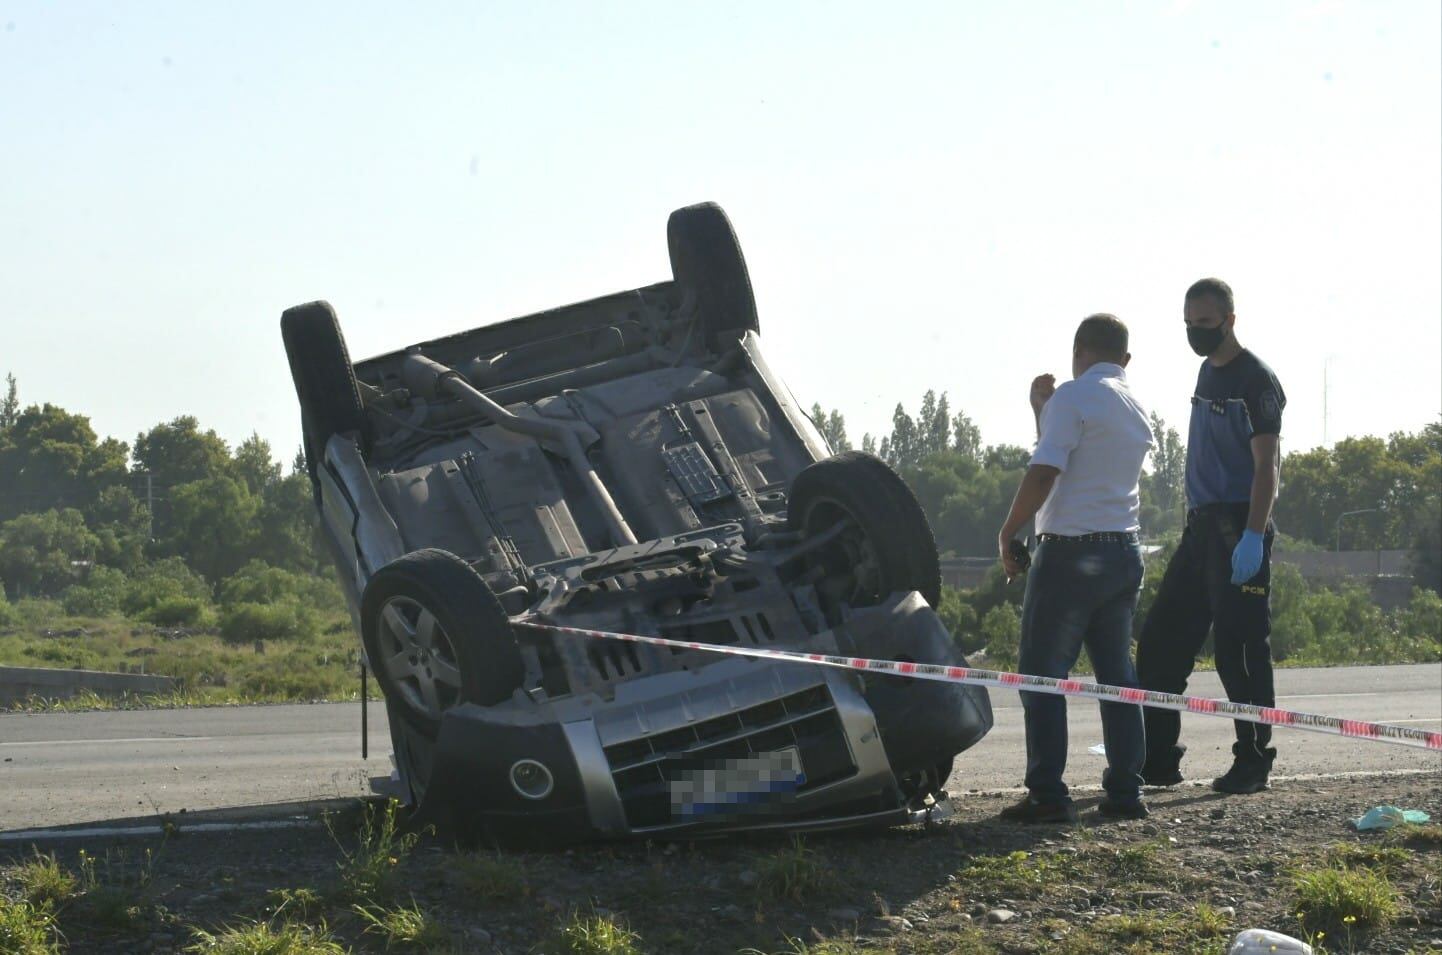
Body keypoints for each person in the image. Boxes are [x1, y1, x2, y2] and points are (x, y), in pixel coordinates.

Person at [996, 314, 1155, 824]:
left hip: (1069, 554)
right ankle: (1126, 790)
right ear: (1124, 359)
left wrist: (1009, 532)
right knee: (1116, 677)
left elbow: (1047, 471)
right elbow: (1082, 461)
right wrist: (1045, 412)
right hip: (1123, 550)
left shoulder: (1073, 397)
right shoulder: (1135, 406)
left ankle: (1047, 793)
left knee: (1043, 675)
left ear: (1077, 351)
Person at [1135, 277, 1287, 795]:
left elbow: (1267, 465)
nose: (1196, 332)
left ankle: (1253, 759)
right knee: (1158, 646)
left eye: (1205, 322)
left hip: (1237, 528)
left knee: (1238, 653)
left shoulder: (1255, 380)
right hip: (1200, 529)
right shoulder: (1205, 372)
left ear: (1229, 320)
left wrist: (1252, 535)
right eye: (1189, 323)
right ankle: (1157, 758)